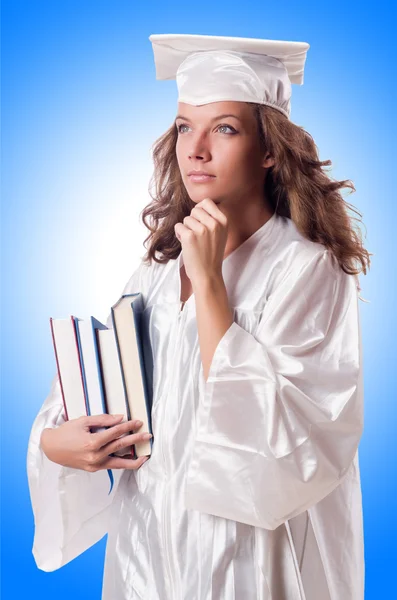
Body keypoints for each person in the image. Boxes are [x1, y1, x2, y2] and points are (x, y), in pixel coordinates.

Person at [27, 33, 371, 600]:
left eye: (225, 128)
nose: (197, 150)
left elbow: (293, 446)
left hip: (253, 559)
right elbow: (90, 392)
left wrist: (211, 283)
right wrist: (57, 445)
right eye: (186, 127)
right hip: (147, 551)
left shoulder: (308, 268)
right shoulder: (157, 270)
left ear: (269, 148)